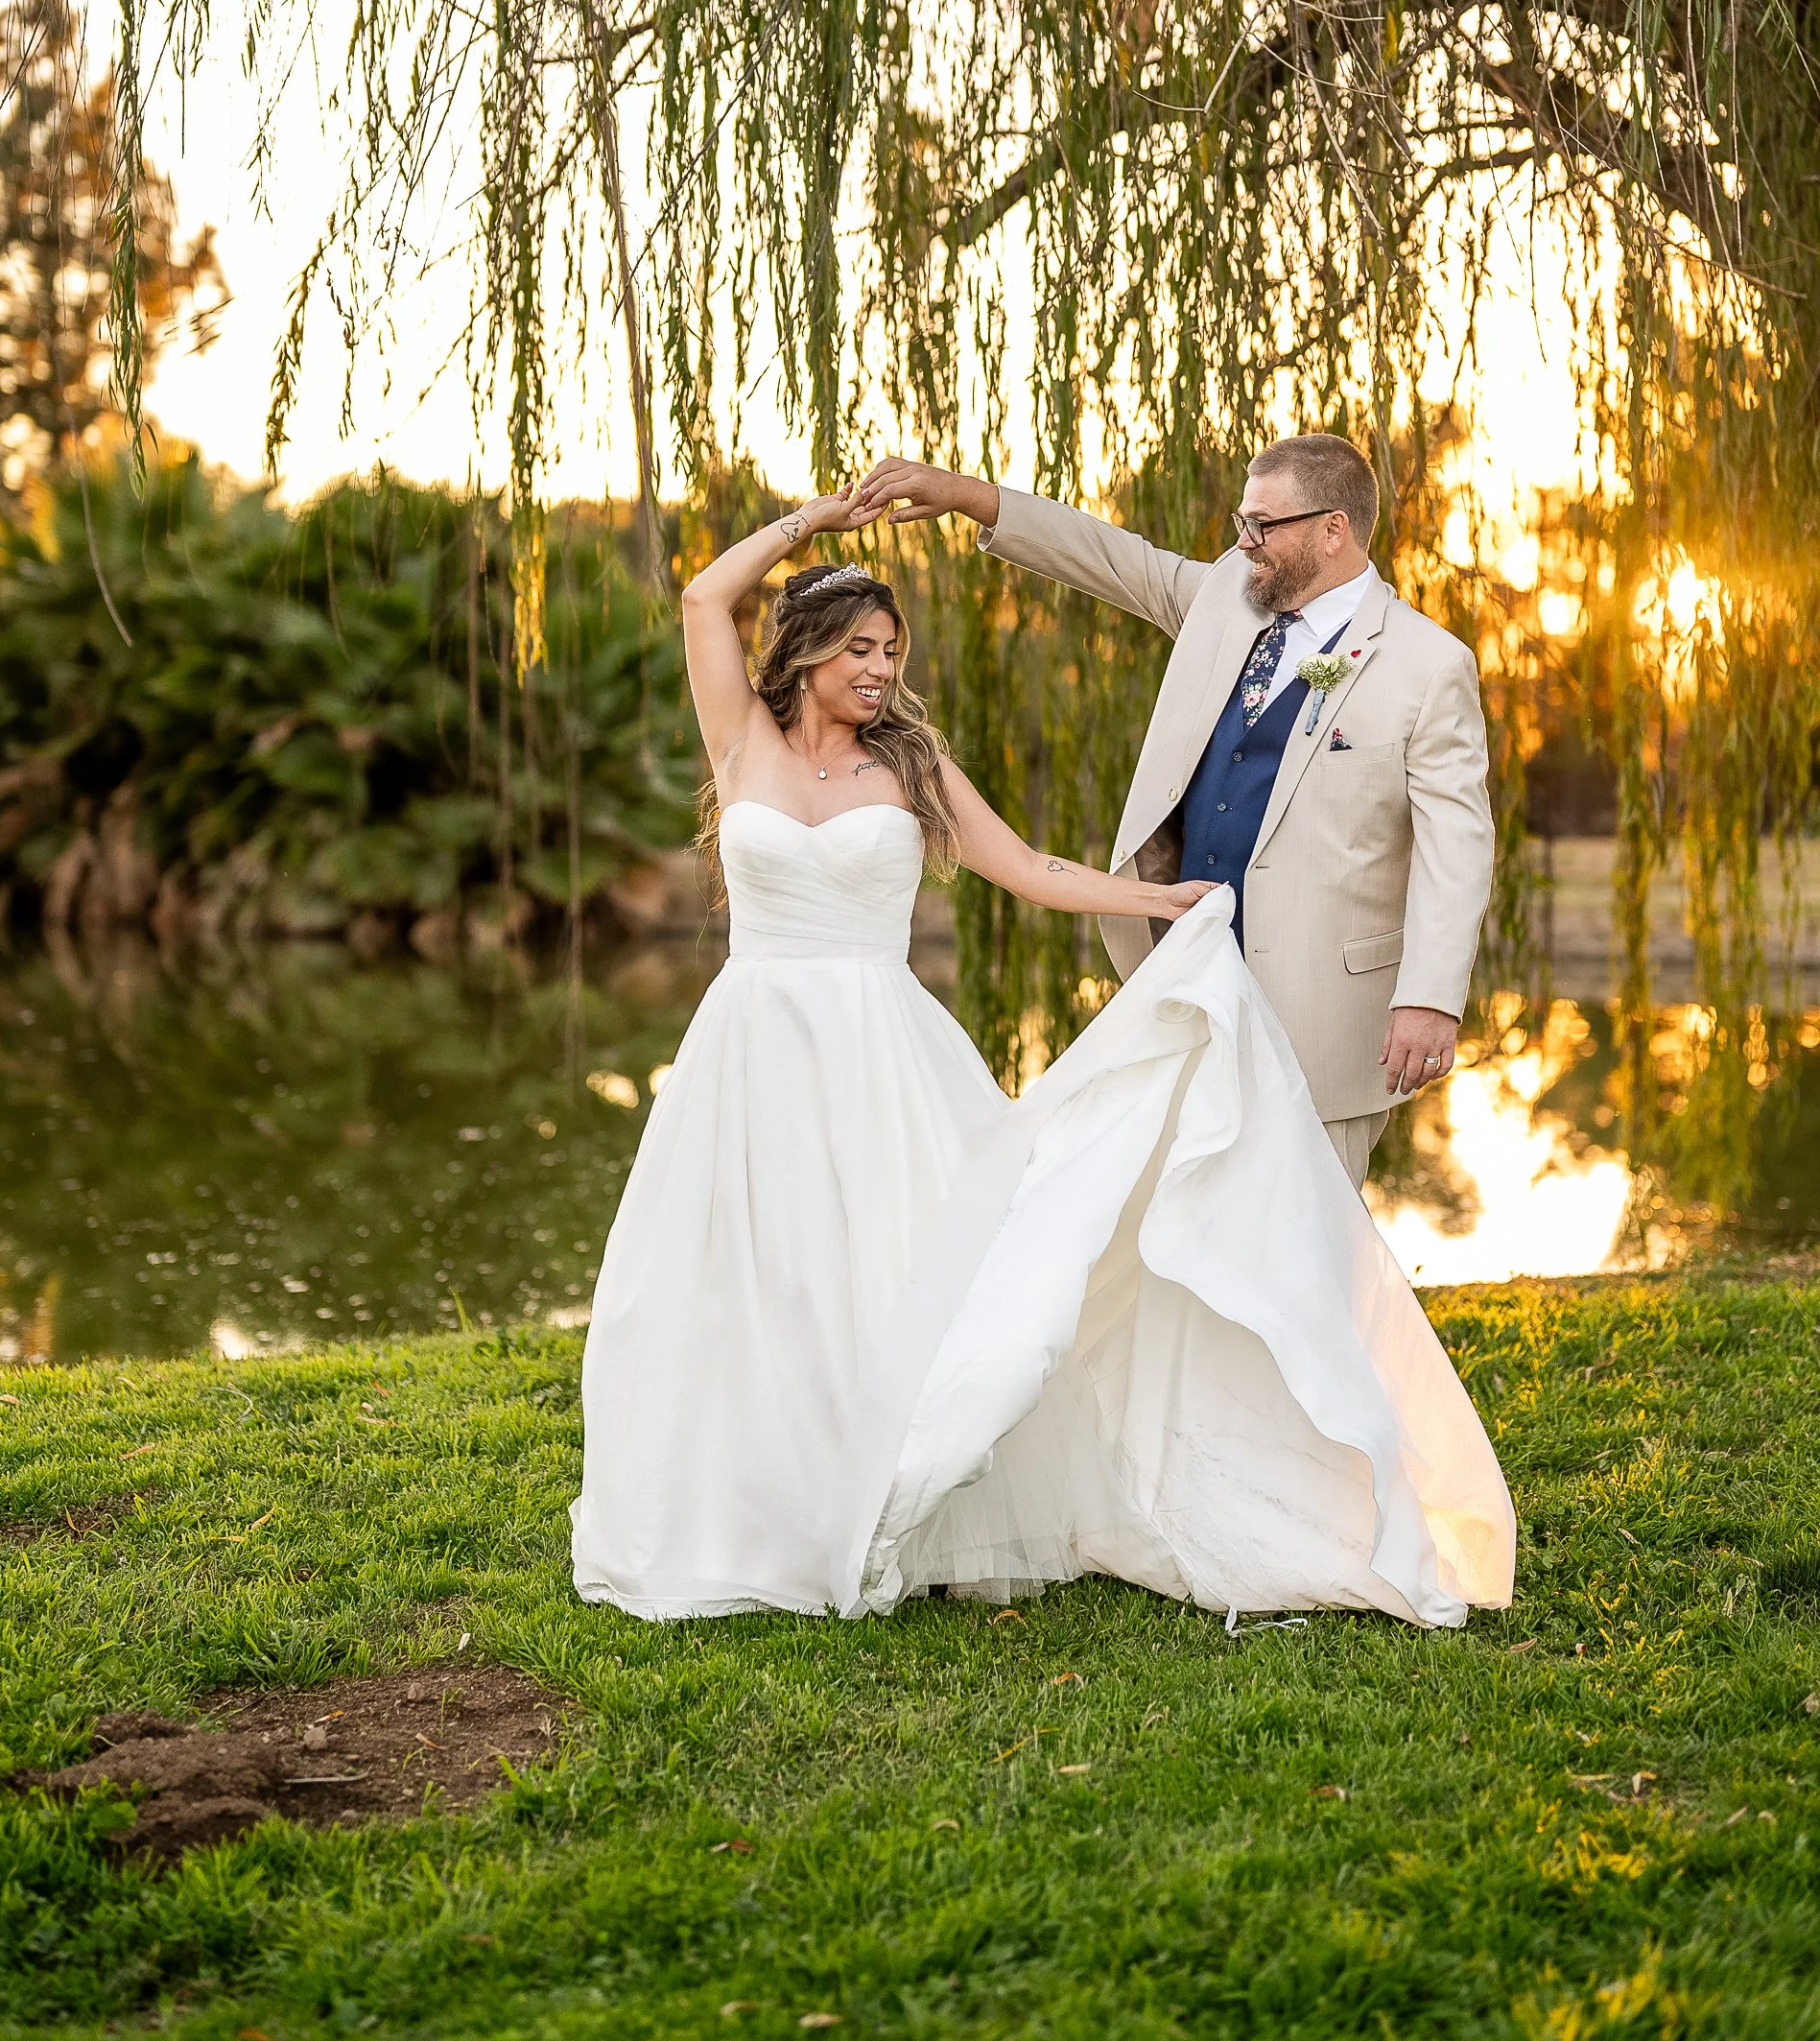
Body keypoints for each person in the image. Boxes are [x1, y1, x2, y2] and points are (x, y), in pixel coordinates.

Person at [570, 487, 1514, 1628]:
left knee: (892, 1276)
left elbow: (1028, 870)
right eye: (859, 648)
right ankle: (752, 1506)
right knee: (751, 1278)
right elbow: (702, 595)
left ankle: (883, 1498)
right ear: (805, 653)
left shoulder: (908, 766)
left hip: (880, 1050)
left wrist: (1151, 895)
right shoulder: (741, 741)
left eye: (891, 650)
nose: (879, 669)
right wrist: (812, 525)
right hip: (750, 1049)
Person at [853, 439, 1493, 1189]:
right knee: (1170, 1220)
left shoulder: (1426, 664)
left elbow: (1460, 848)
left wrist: (1429, 999)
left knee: (1311, 1242)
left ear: (1333, 530)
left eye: (1263, 525)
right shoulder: (1230, 598)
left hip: (1321, 1007)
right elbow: (1114, 557)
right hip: (1188, 979)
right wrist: (968, 496)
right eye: (1241, 521)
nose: (1243, 541)